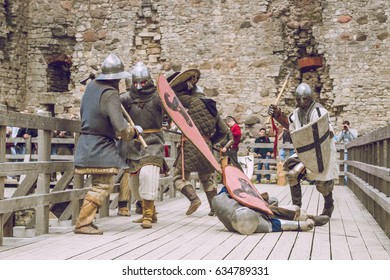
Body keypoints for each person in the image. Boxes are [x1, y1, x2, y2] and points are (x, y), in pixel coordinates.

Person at [73, 53, 139, 235]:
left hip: (87, 142)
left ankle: (87, 221)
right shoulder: (110, 94)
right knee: (103, 185)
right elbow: (120, 127)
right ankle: (83, 223)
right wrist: (134, 132)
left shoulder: (91, 87)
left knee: (98, 183)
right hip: (100, 145)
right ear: (117, 78)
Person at [268, 82, 339, 218]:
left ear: (310, 97)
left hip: (321, 154)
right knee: (292, 173)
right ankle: (297, 208)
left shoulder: (319, 111)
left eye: (305, 99)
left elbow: (327, 132)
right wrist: (278, 115)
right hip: (305, 153)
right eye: (299, 99)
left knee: (323, 185)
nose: (302, 102)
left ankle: (328, 205)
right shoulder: (296, 114)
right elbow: (291, 127)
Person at [169, 69, 230, 216]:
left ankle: (194, 199)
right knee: (207, 179)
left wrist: (186, 83)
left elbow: (171, 95)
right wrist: (210, 141)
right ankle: (215, 208)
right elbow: (223, 130)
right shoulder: (213, 107)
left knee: (179, 177)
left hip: (190, 144)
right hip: (206, 147)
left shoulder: (189, 100)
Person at [117, 62, 165, 229]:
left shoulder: (158, 97)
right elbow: (112, 105)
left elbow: (174, 108)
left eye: (142, 82)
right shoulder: (127, 98)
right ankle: (150, 211)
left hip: (153, 141)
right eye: (136, 82)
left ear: (148, 80)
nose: (138, 86)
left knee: (148, 174)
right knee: (135, 183)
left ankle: (147, 215)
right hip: (134, 143)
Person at [213, 189, 322, 235]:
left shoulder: (219, 201)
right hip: (258, 212)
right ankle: (303, 217)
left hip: (245, 200)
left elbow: (231, 187)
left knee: (272, 201)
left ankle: (299, 214)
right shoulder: (253, 224)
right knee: (270, 214)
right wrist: (300, 226)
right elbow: (277, 225)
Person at [336, 120, 358, 185]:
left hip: (353, 152)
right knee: (345, 169)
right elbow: (338, 140)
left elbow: (355, 138)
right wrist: (342, 131)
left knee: (352, 168)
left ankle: (352, 183)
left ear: (349, 125)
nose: (345, 127)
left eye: (346, 125)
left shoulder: (353, 131)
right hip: (345, 153)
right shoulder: (343, 132)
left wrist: (349, 130)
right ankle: (346, 184)